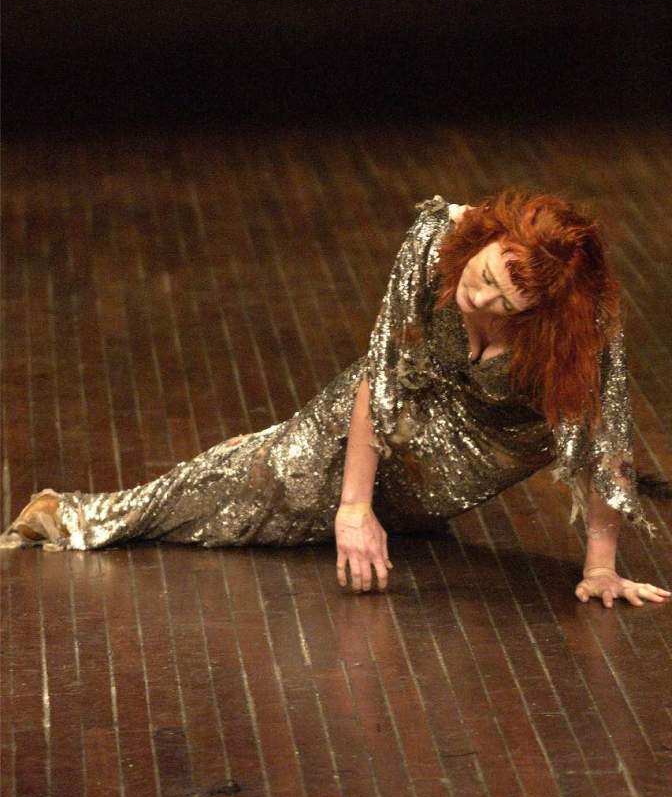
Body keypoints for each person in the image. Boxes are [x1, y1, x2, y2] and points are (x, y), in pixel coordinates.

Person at [1, 191, 669, 610]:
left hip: (481, 455)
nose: (481, 297)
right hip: (394, 404)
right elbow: (383, 375)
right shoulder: (437, 241)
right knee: (266, 479)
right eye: (487, 273)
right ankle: (82, 515)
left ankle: (385, 514)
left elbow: (603, 444)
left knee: (341, 518)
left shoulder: (581, 336)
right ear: (488, 239)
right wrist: (353, 508)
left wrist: (601, 568)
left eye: (507, 302)